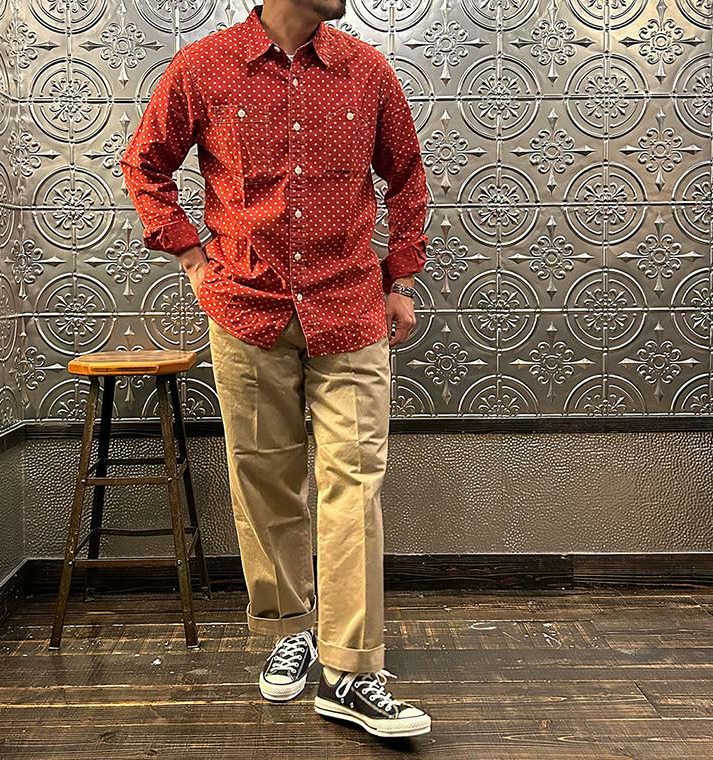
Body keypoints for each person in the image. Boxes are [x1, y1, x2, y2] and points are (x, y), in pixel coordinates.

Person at [120, 0, 431, 738]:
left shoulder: (368, 71)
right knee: (265, 477)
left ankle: (350, 670)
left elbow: (408, 178)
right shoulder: (203, 67)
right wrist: (191, 257)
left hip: (350, 307)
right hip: (247, 307)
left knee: (355, 480)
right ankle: (289, 628)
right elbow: (145, 164)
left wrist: (401, 277)